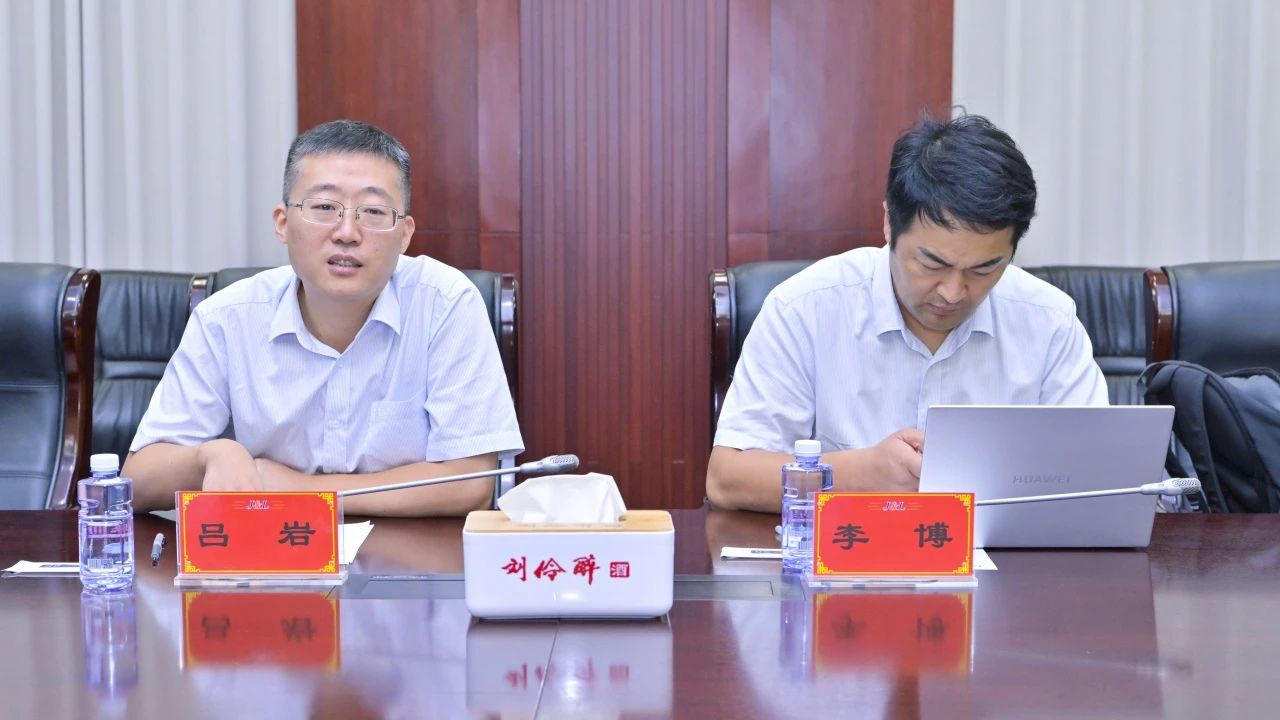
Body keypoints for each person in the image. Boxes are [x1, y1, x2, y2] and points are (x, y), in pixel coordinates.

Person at [707, 114, 1107, 512]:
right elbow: (728, 479)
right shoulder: (805, 309)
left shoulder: (1048, 321)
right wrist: (858, 475)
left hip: (1000, 551)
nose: (953, 292)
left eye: (984, 269)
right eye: (932, 263)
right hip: (847, 551)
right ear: (889, 224)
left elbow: (1101, 479)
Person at [125, 119, 523, 516]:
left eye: (373, 211)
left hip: (409, 552)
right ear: (283, 223)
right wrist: (209, 456)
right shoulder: (227, 318)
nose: (347, 232)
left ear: (404, 234)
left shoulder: (445, 304)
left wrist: (303, 491)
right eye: (324, 208)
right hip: (272, 550)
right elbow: (137, 481)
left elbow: (471, 483)